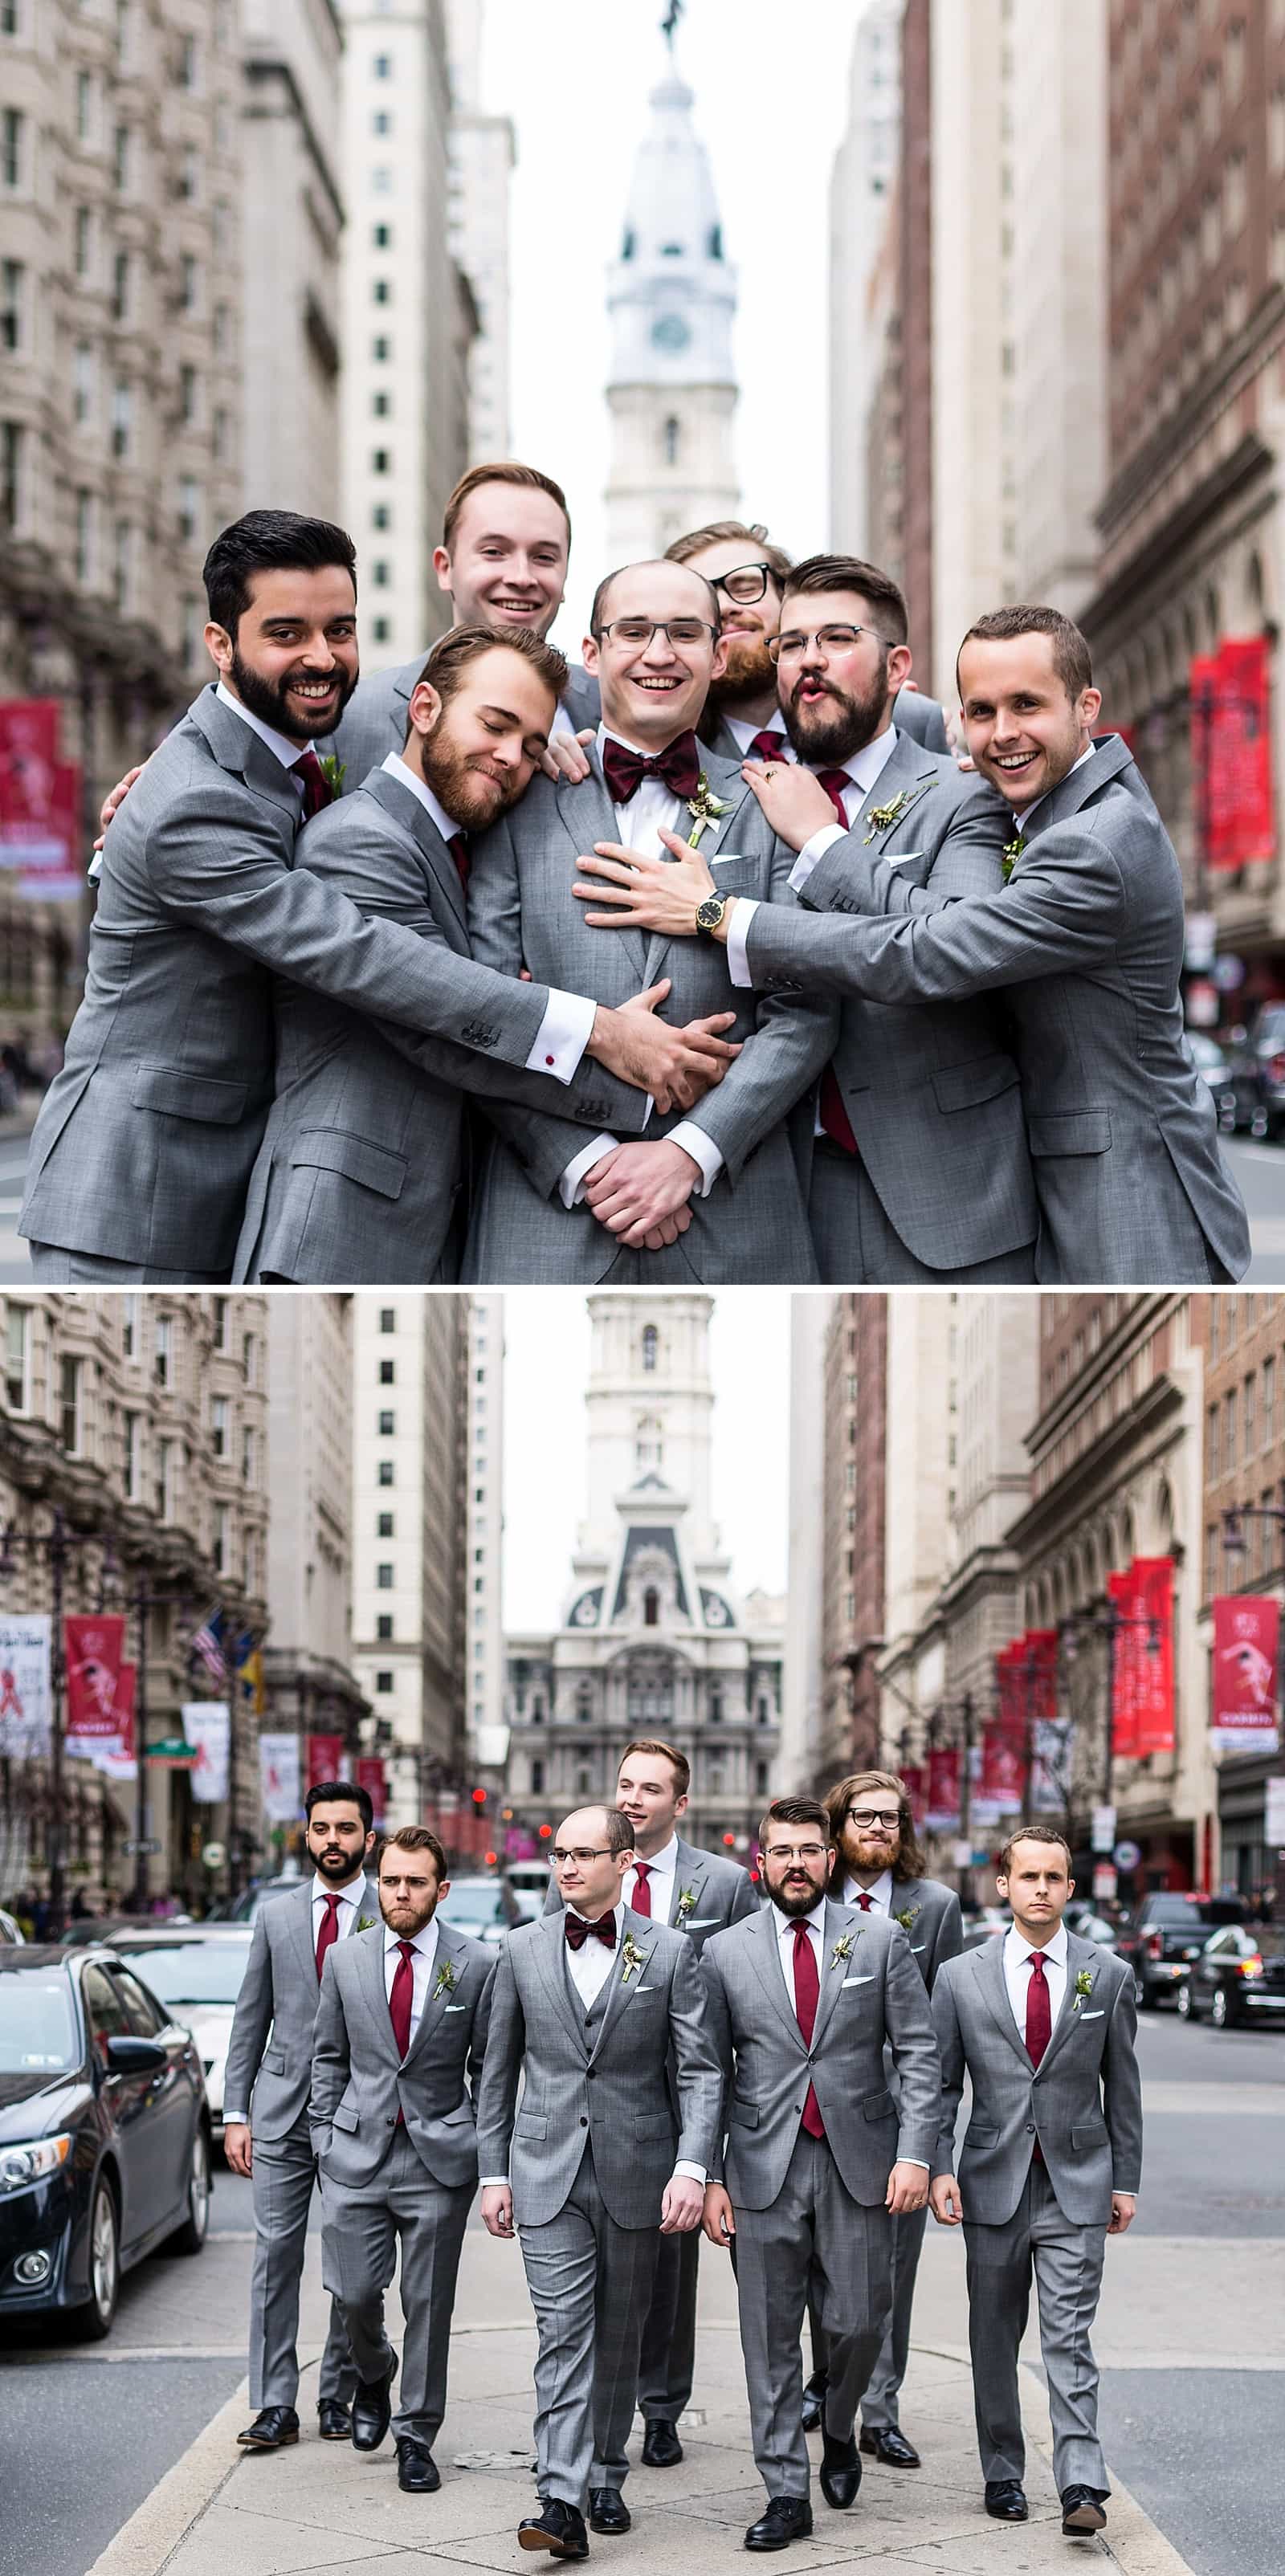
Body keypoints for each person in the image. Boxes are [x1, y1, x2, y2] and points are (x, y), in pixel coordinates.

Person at [21, 511, 725, 1285]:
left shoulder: (302, 760)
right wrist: (601, 1036)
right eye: (286, 633)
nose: (321, 658)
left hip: (237, 1174)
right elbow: (370, 958)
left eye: (341, 630)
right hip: (137, 1186)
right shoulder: (195, 797)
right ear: (220, 645)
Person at [596, 603, 1250, 1285]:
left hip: (1128, 1187)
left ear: (1087, 707)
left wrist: (720, 911)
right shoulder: (1048, 806)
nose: (1003, 734)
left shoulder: (1093, 844)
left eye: (1027, 705)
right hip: (1044, 1173)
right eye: (982, 711)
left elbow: (928, 954)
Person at [573, 554, 1038, 1284]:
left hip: (942, 1194)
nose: (808, 662)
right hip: (769, 1188)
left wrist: (814, 847)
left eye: (838, 639)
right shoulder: (736, 793)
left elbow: (958, 949)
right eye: (791, 644)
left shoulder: (963, 792)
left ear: (897, 668)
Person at [233, 627, 737, 1284]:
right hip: (339, 1226)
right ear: (423, 709)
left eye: (532, 746)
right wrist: (633, 1069)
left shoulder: (456, 836)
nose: (510, 759)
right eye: (495, 725)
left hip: (424, 1223)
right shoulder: (358, 840)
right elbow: (442, 1027)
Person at [463, 556, 838, 1283]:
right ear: (593, 654)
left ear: (719, 653)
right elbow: (476, 1004)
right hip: (551, 1214)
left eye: (684, 633)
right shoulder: (513, 795)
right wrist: (587, 1164)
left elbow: (809, 1009)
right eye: (634, 632)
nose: (659, 654)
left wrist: (689, 1151)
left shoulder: (778, 802)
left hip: (736, 1213)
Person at [474, 1805, 721, 2561]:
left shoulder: (672, 1952)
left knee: (620, 2333)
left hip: (639, 2172)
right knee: (562, 2332)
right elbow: (496, 2071)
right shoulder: (518, 1950)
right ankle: (558, 2494)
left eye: (585, 1855)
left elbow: (702, 2071)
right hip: (545, 2171)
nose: (569, 1867)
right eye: (560, 1855)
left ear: (624, 1861)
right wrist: (493, 2171)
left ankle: (605, 2473)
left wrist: (691, 2166)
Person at [700, 1798, 941, 2554]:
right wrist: (707, 2174)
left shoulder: (878, 1940)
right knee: (768, 2339)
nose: (797, 1864)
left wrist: (915, 2153)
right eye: (783, 1852)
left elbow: (921, 2054)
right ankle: (784, 2492)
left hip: (860, 2164)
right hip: (760, 2167)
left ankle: (840, 2427)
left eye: (810, 1850)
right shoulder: (724, 1952)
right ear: (760, 1864)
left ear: (830, 1861)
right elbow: (705, 2070)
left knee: (862, 2320)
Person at [541, 1738, 758, 2468]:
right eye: (625, 1785)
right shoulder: (578, 1868)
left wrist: (712, 2144)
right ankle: (594, 2427)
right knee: (600, 2281)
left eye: (651, 1789)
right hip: (603, 2096)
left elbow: (738, 1991)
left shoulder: (723, 1884)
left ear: (680, 1803)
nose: (633, 1799)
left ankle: (662, 2406)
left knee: (669, 2271)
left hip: (687, 2094)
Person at [929, 1825, 1143, 2539]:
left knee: (1069, 2336)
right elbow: (939, 2086)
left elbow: (1124, 2087)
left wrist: (1126, 2180)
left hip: (1078, 2182)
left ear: (1071, 1889)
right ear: (1004, 1885)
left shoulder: (1106, 1973)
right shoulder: (962, 1976)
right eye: (1029, 1878)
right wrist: (937, 2166)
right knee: (993, 2336)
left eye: (1055, 1878)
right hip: (992, 2182)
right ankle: (1002, 2472)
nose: (1042, 1890)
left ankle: (1081, 2479)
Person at [310, 1827, 495, 2495]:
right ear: (376, 1883)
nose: (402, 1893)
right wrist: (325, 2137)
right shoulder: (345, 1959)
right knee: (354, 2293)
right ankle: (373, 2370)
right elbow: (327, 2056)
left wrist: (475, 2140)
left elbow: (489, 2071)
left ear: (440, 1890)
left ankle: (416, 2436)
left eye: (416, 1882)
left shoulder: (477, 1963)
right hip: (355, 2152)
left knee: (429, 2303)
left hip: (438, 2161)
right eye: (391, 1880)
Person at [800, 1771, 964, 2464]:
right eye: (863, 1818)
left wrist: (933, 2150)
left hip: (902, 2124)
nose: (877, 1830)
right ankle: (829, 2381)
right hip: (818, 2122)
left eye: (890, 1820)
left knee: (890, 2273)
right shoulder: (807, 1894)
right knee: (819, 2268)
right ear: (838, 1829)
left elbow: (947, 2036)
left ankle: (880, 2411)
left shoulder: (936, 1908)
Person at [222, 1780, 381, 2453]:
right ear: (306, 1835)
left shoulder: (392, 1907)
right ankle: (274, 2404)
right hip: (281, 2111)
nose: (333, 1841)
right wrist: (235, 2111)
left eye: (346, 1830)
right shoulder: (277, 1915)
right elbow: (250, 2017)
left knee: (351, 2265)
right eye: (322, 1829)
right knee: (275, 2256)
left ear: (367, 1840)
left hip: (358, 2114)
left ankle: (338, 2391)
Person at [324, 461, 602, 785]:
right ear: (445, 568)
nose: (522, 577)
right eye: (495, 552)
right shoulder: (351, 718)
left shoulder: (609, 702)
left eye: (544, 558)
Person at [664, 520, 950, 759]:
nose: (725, 607)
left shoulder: (912, 720)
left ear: (787, 599)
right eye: (703, 598)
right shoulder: (664, 749)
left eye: (746, 587)